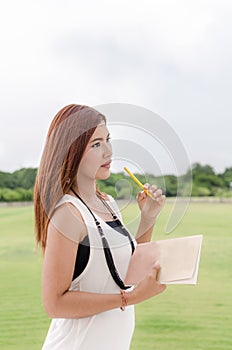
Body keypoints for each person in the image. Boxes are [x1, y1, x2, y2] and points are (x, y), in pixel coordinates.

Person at [34, 104, 166, 350]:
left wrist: (148, 219)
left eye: (108, 140)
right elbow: (54, 304)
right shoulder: (68, 215)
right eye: (96, 144)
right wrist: (132, 298)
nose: (108, 151)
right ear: (71, 152)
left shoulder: (108, 203)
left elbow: (125, 272)